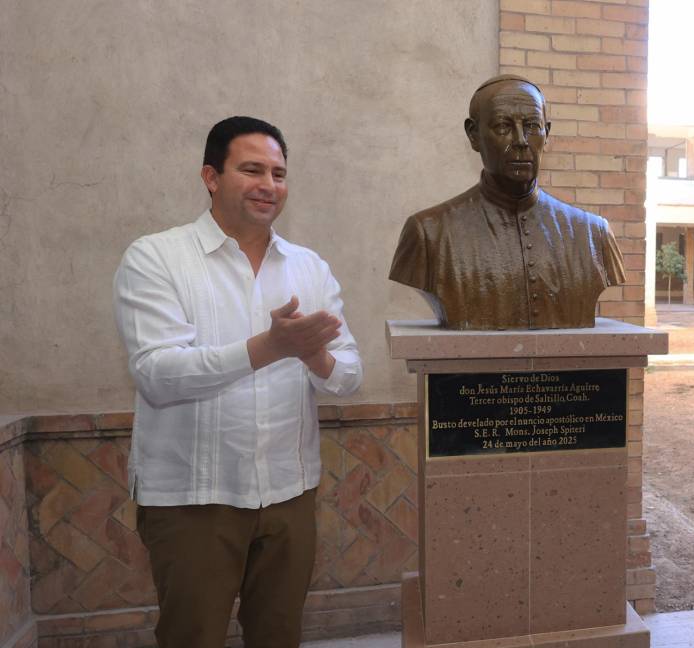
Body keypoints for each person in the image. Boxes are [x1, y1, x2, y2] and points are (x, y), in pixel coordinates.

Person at [113, 116, 362, 647]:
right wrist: (268, 348)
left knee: (278, 636)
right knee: (192, 636)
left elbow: (348, 376)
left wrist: (316, 358)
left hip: (288, 494)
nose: (268, 186)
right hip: (193, 498)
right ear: (211, 176)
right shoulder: (156, 257)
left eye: (278, 173)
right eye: (252, 170)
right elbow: (157, 375)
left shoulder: (308, 267)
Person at [388, 74, 626, 330]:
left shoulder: (593, 235)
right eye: (503, 126)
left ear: (547, 133)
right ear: (473, 135)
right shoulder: (428, 233)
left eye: (532, 126)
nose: (522, 141)